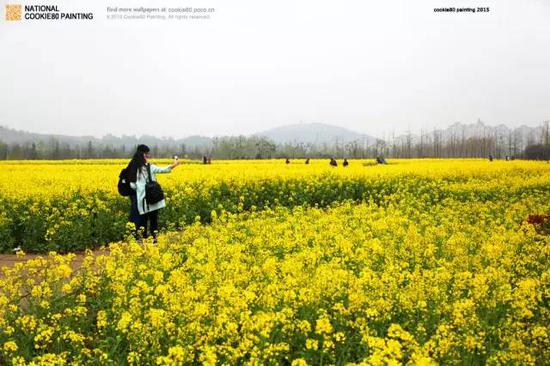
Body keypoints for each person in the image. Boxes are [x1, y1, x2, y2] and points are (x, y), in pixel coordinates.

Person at [126, 144, 180, 242]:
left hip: (142, 201)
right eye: (147, 155)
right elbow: (164, 169)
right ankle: (154, 239)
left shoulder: (134, 169)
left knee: (143, 221)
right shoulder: (150, 167)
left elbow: (132, 186)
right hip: (153, 198)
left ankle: (144, 239)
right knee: (154, 219)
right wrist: (174, 164)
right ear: (144, 156)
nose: (148, 157)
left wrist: (140, 187)